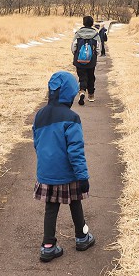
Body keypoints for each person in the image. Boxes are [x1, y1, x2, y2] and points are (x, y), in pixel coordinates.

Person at [33, 71, 95, 262]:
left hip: (47, 173)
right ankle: (81, 236)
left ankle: (48, 246)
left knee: (51, 208)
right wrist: (83, 176)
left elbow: (37, 144)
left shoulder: (40, 116)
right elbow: (75, 151)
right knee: (75, 203)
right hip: (68, 173)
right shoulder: (72, 118)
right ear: (69, 93)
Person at [71, 15, 101, 105]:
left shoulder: (78, 33)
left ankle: (82, 91)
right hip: (91, 61)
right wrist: (95, 56)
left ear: (83, 23)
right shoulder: (95, 34)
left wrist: (76, 55)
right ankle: (91, 95)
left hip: (79, 60)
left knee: (82, 77)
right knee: (91, 76)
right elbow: (99, 48)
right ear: (92, 23)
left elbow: (73, 47)